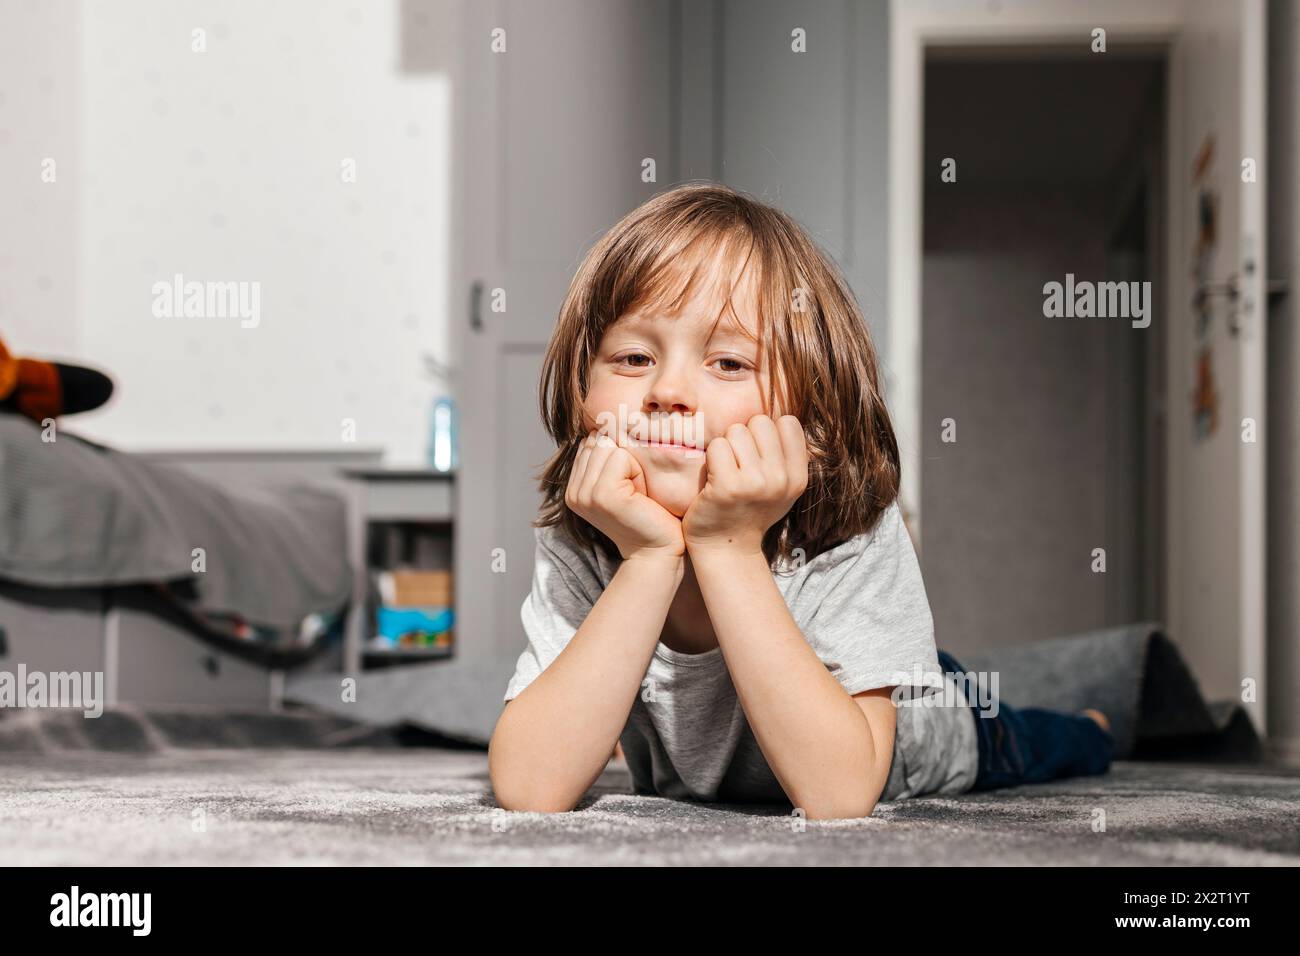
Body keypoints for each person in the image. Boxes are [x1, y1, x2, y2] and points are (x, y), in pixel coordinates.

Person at [488, 182, 1112, 818]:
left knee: (1021, 736)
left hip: (926, 730)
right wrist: (648, 558)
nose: (668, 390)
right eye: (632, 356)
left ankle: (1092, 724)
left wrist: (727, 548)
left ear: (810, 417)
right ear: (581, 393)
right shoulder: (585, 530)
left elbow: (838, 795)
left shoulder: (851, 528)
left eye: (729, 363)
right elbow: (530, 789)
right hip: (726, 752)